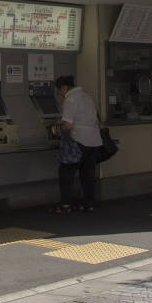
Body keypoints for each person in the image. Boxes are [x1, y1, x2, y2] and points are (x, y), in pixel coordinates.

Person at [51, 74, 102, 213]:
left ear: (64, 87)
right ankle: (88, 203)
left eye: (59, 91)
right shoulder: (87, 96)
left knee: (66, 172)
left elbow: (67, 125)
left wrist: (56, 131)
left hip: (79, 140)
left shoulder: (71, 99)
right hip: (94, 141)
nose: (60, 94)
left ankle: (66, 205)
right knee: (88, 175)